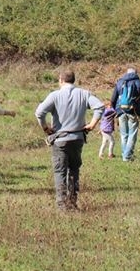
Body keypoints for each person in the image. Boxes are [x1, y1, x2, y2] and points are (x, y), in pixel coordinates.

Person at [35, 69, 104, 211]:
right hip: (77, 138)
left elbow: (39, 112)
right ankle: (72, 203)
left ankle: (62, 206)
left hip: (60, 139)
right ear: (74, 80)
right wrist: (92, 124)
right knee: (74, 170)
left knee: (60, 171)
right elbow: (100, 107)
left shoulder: (54, 95)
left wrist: (45, 128)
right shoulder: (84, 94)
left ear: (60, 80)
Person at [108, 67, 140, 162]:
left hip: (120, 111)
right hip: (134, 111)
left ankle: (125, 155)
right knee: (132, 134)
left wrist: (117, 110)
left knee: (124, 134)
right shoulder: (139, 83)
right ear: (136, 73)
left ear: (126, 73)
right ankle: (127, 156)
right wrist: (139, 103)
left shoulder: (119, 82)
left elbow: (113, 99)